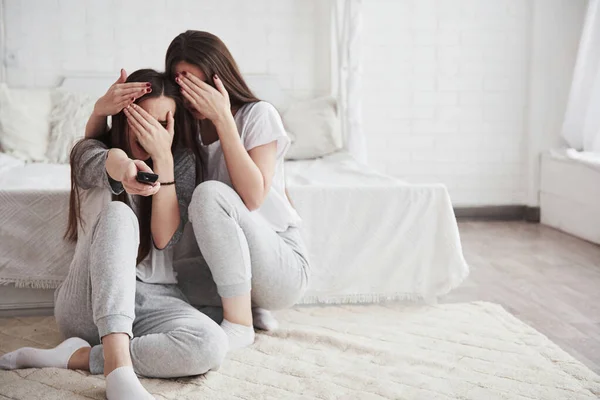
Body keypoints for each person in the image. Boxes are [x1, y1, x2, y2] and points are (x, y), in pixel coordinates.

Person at [0, 69, 228, 400]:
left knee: (211, 345)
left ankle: (75, 357)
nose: (151, 131)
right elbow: (112, 160)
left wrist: (163, 159)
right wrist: (124, 168)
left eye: (163, 123)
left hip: (154, 299)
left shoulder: (180, 164)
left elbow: (164, 239)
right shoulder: (90, 151)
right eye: (141, 119)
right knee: (119, 214)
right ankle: (118, 372)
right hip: (88, 303)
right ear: (123, 116)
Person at [163, 30, 310, 350]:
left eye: (199, 86)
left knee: (210, 193)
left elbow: (254, 197)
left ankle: (240, 323)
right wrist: (99, 115)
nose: (192, 98)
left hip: (280, 266)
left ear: (220, 80)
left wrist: (223, 119)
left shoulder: (258, 115)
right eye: (184, 87)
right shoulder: (185, 129)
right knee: (161, 285)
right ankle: (241, 306)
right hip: (221, 270)